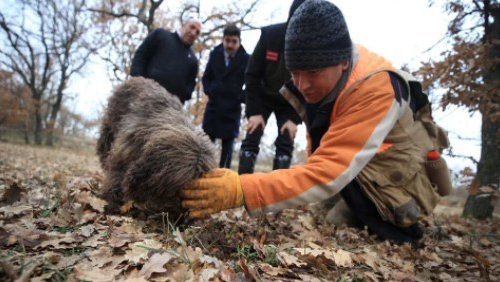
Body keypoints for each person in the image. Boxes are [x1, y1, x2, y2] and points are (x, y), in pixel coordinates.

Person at [181, 0, 452, 245]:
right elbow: (324, 150)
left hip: (396, 184)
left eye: (312, 73)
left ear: (343, 63)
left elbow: (328, 171)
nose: (302, 85)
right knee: (320, 214)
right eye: (295, 72)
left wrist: (243, 190)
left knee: (335, 224)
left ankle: (395, 225)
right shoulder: (328, 70)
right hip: (361, 170)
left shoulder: (375, 89)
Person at [237, 0, 307, 174]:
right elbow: (252, 74)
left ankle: (278, 196)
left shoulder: (310, 47)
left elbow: (310, 88)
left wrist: (295, 119)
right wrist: (254, 112)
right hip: (262, 97)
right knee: (253, 134)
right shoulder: (270, 36)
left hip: (289, 103)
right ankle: (243, 189)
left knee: (286, 140)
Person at [202, 24, 250, 168]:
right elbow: (206, 78)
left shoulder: (246, 59)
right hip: (214, 107)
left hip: (232, 110)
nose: (230, 45)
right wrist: (211, 91)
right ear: (223, 40)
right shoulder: (215, 54)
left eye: (234, 41)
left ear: (239, 42)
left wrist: (240, 97)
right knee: (205, 147)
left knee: (227, 151)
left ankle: (223, 181)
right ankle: (204, 173)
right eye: (227, 40)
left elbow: (252, 84)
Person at [130, 19, 201, 103]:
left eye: (197, 32)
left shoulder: (193, 60)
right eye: (192, 27)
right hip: (144, 95)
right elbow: (141, 56)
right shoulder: (161, 35)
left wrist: (182, 97)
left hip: (170, 107)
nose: (193, 33)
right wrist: (137, 81)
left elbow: (190, 85)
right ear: (184, 25)